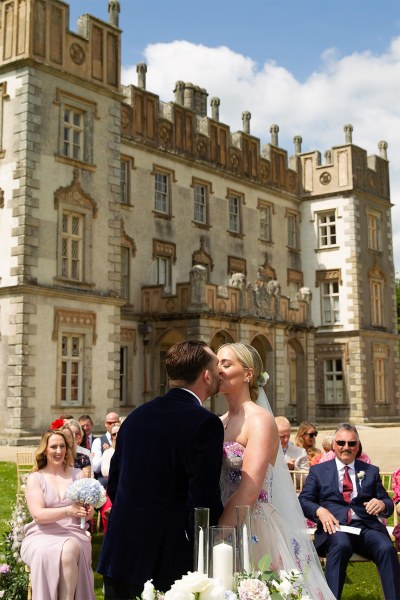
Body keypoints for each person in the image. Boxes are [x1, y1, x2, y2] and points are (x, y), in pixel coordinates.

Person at [97, 339, 224, 599]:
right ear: (206, 376)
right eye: (216, 369)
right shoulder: (205, 424)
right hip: (166, 560)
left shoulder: (135, 417)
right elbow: (202, 501)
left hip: (121, 552)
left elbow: (115, 483)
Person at [217, 342, 335, 600]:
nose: (218, 370)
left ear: (248, 374)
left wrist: (219, 531)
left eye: (226, 364)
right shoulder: (219, 422)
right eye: (216, 364)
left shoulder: (259, 420)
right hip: (221, 514)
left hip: (252, 524)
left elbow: (250, 489)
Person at [299, 423, 400, 600]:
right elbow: (304, 500)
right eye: (341, 442)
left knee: (386, 548)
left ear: (358, 446)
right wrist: (319, 510)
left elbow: (388, 503)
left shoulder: (370, 470)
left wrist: (382, 505)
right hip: (335, 528)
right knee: (341, 545)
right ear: (333, 445)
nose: (346, 447)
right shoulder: (318, 471)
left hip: (366, 527)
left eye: (352, 443)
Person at [20, 429, 95, 600]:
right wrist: (68, 511)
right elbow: (38, 515)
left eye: (62, 446)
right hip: (42, 533)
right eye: (54, 446)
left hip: (73, 531)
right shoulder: (35, 478)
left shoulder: (78, 474)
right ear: (44, 450)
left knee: (70, 547)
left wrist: (88, 512)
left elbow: (88, 514)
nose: (59, 451)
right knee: (55, 550)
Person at [99, 423, 121, 532]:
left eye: (119, 433)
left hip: (126, 488)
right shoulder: (108, 452)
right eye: (113, 434)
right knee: (107, 508)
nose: (116, 436)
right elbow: (105, 472)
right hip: (112, 487)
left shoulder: (129, 451)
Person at [91, 411, 120, 486]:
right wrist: (106, 453)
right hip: (105, 483)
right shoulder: (98, 441)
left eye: (115, 422)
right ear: (105, 424)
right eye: (109, 423)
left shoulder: (126, 439)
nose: (112, 425)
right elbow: (96, 468)